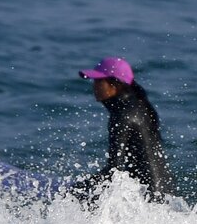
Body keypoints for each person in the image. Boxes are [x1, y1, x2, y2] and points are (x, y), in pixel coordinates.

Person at [71, 57, 173, 201]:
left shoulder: (122, 115)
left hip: (149, 200)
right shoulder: (138, 106)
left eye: (99, 81)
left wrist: (76, 190)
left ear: (115, 84)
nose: (94, 86)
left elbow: (114, 171)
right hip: (165, 194)